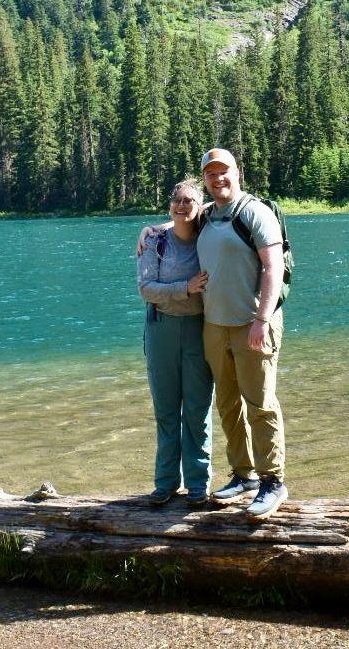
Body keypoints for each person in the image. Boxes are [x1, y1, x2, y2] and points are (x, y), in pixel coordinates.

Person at [196, 148, 288, 521]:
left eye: (224, 172)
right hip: (215, 325)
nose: (218, 179)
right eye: (211, 174)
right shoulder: (207, 215)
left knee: (261, 403)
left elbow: (273, 266)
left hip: (253, 323)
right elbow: (180, 220)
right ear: (205, 179)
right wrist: (152, 229)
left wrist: (262, 318)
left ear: (238, 173)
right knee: (228, 403)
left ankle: (273, 481)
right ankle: (243, 475)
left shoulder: (254, 212)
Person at [136, 177, 213, 506]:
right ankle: (166, 483)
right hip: (161, 330)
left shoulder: (208, 237)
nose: (182, 206)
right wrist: (186, 286)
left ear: (199, 207)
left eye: (189, 201)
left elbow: (221, 205)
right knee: (166, 411)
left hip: (198, 329)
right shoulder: (155, 241)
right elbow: (146, 289)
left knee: (197, 409)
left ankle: (198, 485)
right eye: (176, 200)